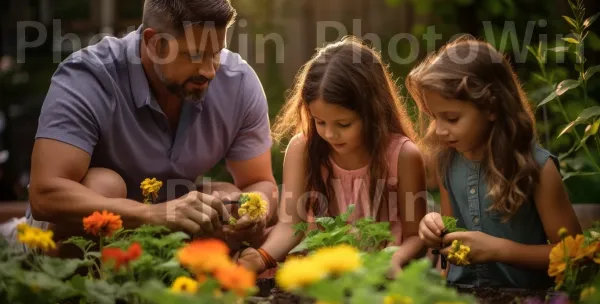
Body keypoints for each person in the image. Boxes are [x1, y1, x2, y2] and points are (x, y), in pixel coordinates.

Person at [3, 0, 278, 251]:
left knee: (227, 199)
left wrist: (256, 211)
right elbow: (45, 194)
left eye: (217, 53)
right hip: (58, 239)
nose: (209, 70)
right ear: (154, 43)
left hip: (162, 234)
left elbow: (260, 181)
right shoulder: (88, 76)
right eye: (194, 55)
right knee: (105, 184)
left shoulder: (238, 82)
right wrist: (154, 216)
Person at [236, 36, 428, 275]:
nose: (330, 134)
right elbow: (290, 225)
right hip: (323, 274)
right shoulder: (303, 149)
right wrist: (262, 257)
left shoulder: (403, 155)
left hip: (381, 274)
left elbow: (416, 235)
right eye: (320, 122)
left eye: (344, 124)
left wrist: (394, 259)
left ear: (373, 112)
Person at [407, 37, 582, 289]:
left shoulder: (537, 168)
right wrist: (433, 229)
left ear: (492, 108)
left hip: (527, 302)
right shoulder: (447, 161)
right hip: (462, 296)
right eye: (435, 118)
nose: (440, 130)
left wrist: (499, 250)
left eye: (452, 118)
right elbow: (451, 232)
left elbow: (573, 255)